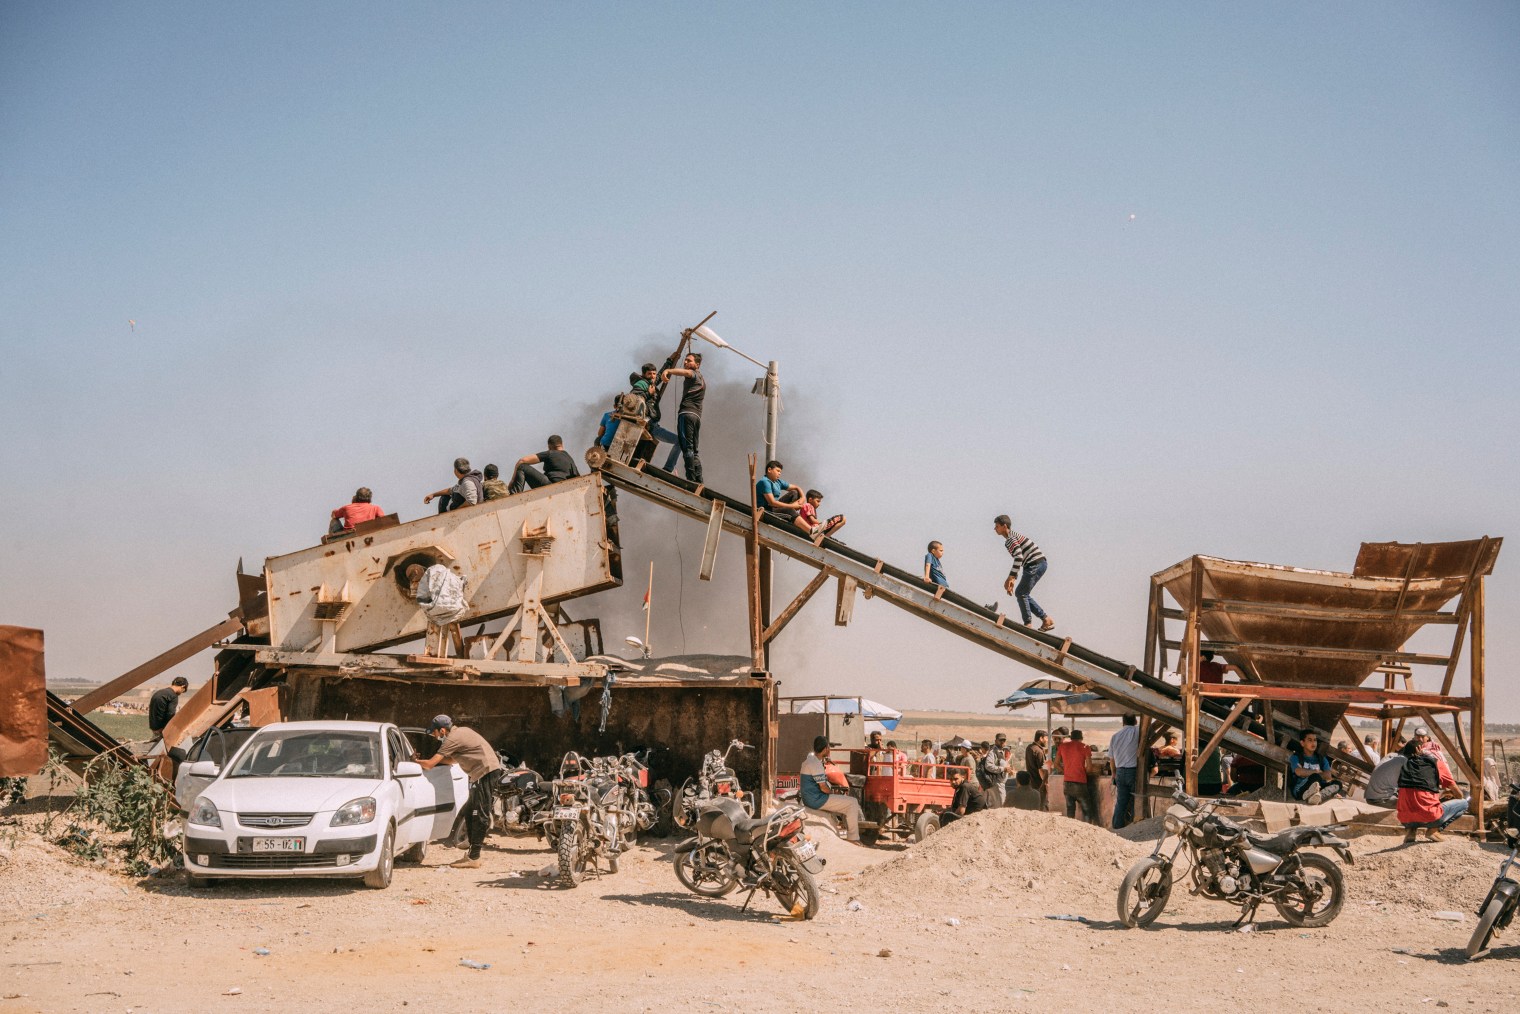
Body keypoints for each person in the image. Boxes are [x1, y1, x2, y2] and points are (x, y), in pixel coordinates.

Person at [417, 715, 501, 868]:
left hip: (484, 772)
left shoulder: (451, 739)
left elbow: (429, 765)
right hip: (483, 772)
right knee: (469, 812)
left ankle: (474, 858)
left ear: (442, 730)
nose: (435, 737)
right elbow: (452, 760)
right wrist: (429, 760)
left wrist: (414, 761)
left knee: (479, 813)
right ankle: (471, 854)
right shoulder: (461, 732)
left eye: (435, 733)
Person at [1396, 731, 1468, 842]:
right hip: (1430, 815)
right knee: (1463, 803)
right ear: (1420, 750)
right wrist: (1449, 794)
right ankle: (1433, 830)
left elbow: (1416, 790)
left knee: (1412, 803)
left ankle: (1411, 832)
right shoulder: (1436, 764)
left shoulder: (1402, 766)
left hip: (1405, 818)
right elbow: (1459, 794)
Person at [992, 515, 1054, 631]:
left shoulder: (1011, 539)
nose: (995, 529)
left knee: (1021, 593)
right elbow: (1019, 559)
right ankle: (1046, 619)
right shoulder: (1011, 538)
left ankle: (1028, 624)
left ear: (1004, 526)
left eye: (997, 526)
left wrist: (1010, 577)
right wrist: (1013, 578)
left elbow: (1019, 557)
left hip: (1035, 563)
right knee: (1022, 593)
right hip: (1034, 564)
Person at [799, 736, 862, 841]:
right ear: (825, 749)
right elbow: (823, 788)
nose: (829, 750)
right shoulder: (816, 764)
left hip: (809, 798)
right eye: (828, 747)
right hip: (816, 800)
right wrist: (832, 793)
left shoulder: (809, 760)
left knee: (844, 803)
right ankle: (853, 837)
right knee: (853, 802)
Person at [661, 351, 706, 484]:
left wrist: (668, 370)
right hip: (696, 417)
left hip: (686, 414)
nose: (686, 363)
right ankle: (699, 480)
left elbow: (687, 373)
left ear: (697, 365)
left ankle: (691, 479)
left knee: (687, 447)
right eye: (685, 361)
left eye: (689, 361)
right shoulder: (702, 379)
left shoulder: (694, 374)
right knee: (694, 450)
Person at [510, 435, 580, 493]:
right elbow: (578, 478)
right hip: (564, 490)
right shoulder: (570, 459)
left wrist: (512, 481)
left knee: (522, 467)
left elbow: (522, 460)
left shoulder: (550, 453)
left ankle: (515, 495)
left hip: (550, 486)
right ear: (562, 444)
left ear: (549, 446)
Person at [1288, 731, 1342, 804]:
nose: (1313, 743)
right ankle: (1310, 795)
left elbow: (1328, 775)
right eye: (1310, 740)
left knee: (1337, 783)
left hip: (1319, 787)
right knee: (1315, 777)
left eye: (1315, 740)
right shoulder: (1296, 757)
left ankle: (1318, 797)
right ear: (1302, 743)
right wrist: (1316, 772)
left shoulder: (1321, 758)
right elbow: (1299, 772)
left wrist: (1306, 772)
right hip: (1300, 790)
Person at [1056, 729, 1095, 823]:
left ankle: (1071, 832)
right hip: (1080, 783)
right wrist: (1082, 772)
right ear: (1081, 738)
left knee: (1070, 810)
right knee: (1087, 811)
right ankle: (1088, 831)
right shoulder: (1085, 747)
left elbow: (1056, 764)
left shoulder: (1062, 746)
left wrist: (1065, 771)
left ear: (1071, 738)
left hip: (1067, 783)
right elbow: (1089, 768)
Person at [1110, 714, 1140, 828]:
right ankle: (1133, 827)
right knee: (1135, 801)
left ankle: (1117, 827)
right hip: (1133, 772)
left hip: (1120, 772)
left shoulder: (1115, 736)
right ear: (1136, 721)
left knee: (1121, 802)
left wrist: (1114, 773)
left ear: (1123, 722)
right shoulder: (1137, 731)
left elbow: (1111, 758)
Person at [755, 460, 803, 525]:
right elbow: (772, 503)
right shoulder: (764, 482)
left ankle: (793, 515)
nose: (779, 473)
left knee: (794, 493)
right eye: (778, 471)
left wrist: (803, 497)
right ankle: (811, 531)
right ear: (769, 470)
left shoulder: (778, 482)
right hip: (766, 511)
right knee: (789, 510)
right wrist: (791, 506)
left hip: (775, 508)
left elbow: (796, 487)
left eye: (780, 472)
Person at [981, 734, 1010, 807]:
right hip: (996, 782)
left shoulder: (1001, 751)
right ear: (996, 741)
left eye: (1004, 740)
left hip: (1000, 783)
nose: (1002, 742)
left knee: (999, 804)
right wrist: (1003, 769)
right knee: (1001, 804)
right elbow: (988, 766)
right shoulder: (993, 752)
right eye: (1000, 740)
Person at [1024, 730, 1049, 809]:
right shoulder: (1039, 752)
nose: (1047, 740)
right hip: (1039, 784)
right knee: (1040, 806)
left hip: (1031, 783)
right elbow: (1041, 770)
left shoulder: (1030, 747)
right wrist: (1044, 783)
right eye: (1046, 738)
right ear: (1041, 738)